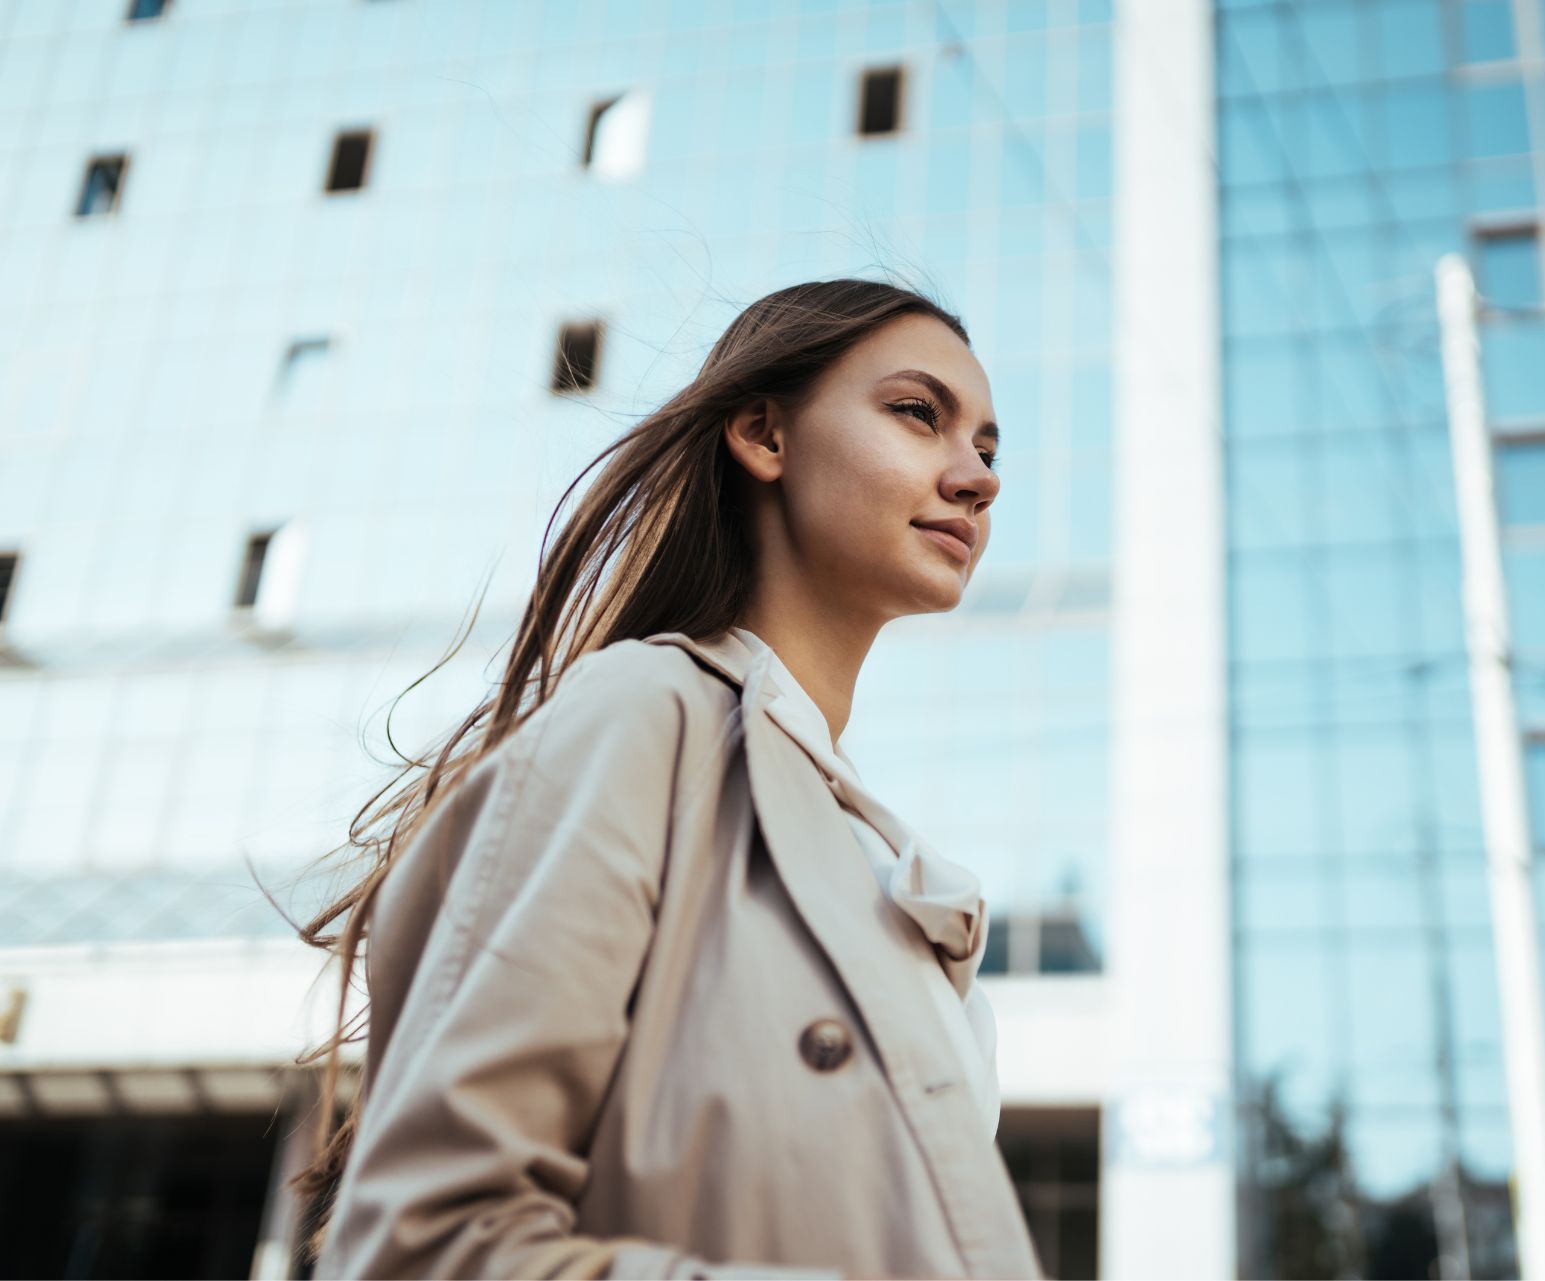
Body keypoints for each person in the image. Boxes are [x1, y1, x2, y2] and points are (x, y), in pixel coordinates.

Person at [286, 278, 1045, 1279]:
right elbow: (430, 1245)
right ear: (766, 435)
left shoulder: (875, 849)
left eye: (988, 449)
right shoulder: (650, 712)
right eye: (919, 415)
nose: (977, 477)